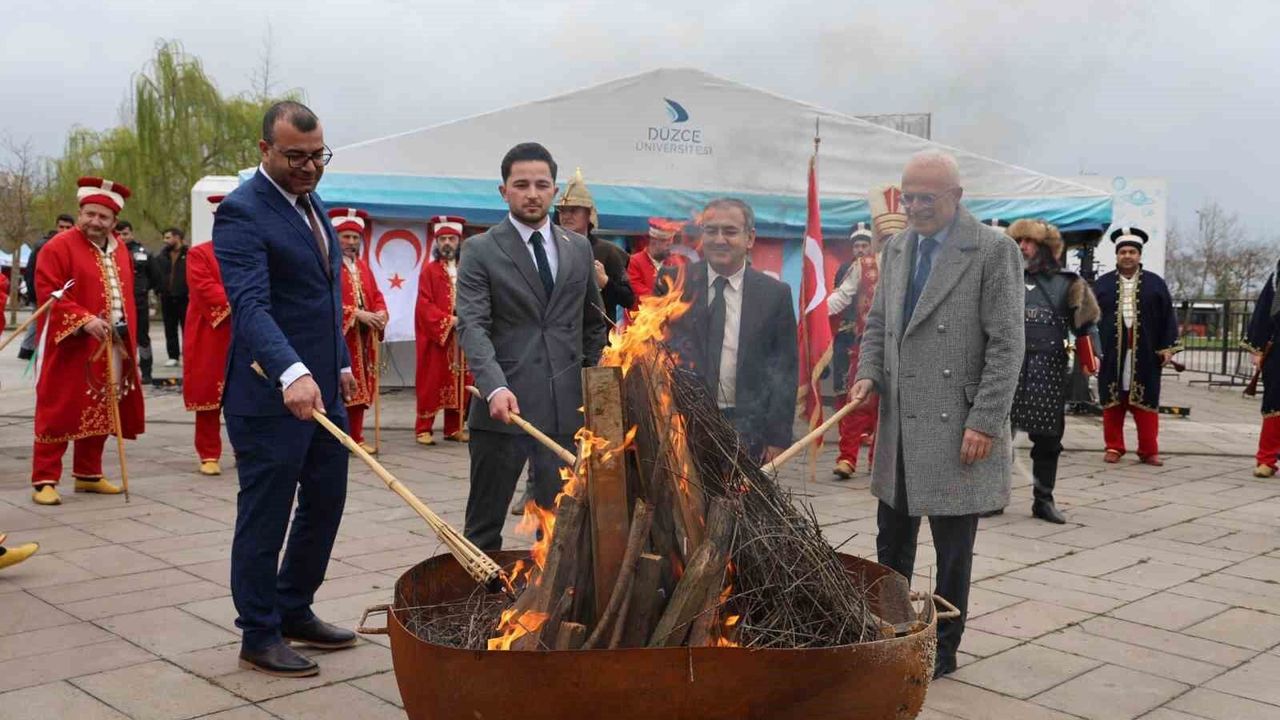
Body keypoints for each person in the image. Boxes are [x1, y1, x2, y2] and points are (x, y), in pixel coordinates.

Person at [848, 151, 1024, 679]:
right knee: (891, 543)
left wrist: (985, 420)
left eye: (928, 197)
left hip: (958, 428)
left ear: (957, 197)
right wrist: (868, 372)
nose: (916, 207)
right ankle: (894, 633)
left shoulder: (993, 249)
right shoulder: (897, 247)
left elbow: (1007, 344)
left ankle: (942, 648)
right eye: (909, 197)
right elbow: (879, 324)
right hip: (900, 428)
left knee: (953, 553)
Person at [214, 101, 359, 678]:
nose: (309, 168)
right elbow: (251, 306)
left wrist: (339, 362)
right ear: (264, 150)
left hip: (323, 392)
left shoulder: (311, 201)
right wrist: (291, 372)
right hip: (268, 395)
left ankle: (294, 606)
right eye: (295, 157)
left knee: (326, 501)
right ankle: (258, 632)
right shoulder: (242, 212)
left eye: (318, 156)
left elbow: (323, 296)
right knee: (266, 515)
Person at [457, 142, 607, 551]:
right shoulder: (480, 250)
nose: (532, 194)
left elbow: (593, 324)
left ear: (555, 190)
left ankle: (547, 595)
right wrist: (494, 386)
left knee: (558, 532)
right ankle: (480, 593)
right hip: (504, 410)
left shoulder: (578, 248)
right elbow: (472, 325)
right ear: (503, 191)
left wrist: (595, 388)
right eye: (521, 185)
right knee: (483, 529)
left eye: (542, 185)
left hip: (565, 411)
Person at [30, 177, 146, 506]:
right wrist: (83, 319)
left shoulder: (120, 249)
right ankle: (44, 479)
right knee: (58, 408)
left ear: (114, 221)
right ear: (80, 213)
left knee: (103, 405)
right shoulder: (58, 247)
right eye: (89, 214)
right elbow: (49, 293)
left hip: (112, 342)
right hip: (70, 343)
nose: (95, 221)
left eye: (103, 217)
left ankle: (88, 473)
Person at [662, 198, 798, 461]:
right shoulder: (674, 283)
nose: (719, 239)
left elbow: (785, 371)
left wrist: (777, 438)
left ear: (750, 238)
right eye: (711, 231)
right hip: (681, 426)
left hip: (747, 430)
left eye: (730, 231)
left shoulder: (775, 295)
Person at [1006, 219, 1101, 523]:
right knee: (997, 439)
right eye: (1018, 241)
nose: (1022, 247)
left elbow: (1086, 325)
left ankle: (1043, 500)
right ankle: (992, 496)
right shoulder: (1001, 277)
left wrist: (1092, 358)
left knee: (1048, 442)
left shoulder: (1068, 283)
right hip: (1005, 368)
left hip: (1048, 369)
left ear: (1046, 248)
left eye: (1029, 242)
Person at [1094, 227, 1180, 466]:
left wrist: (1168, 347)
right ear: (1117, 255)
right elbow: (1090, 319)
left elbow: (1168, 318)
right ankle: (1114, 446)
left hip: (1146, 352)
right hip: (1112, 353)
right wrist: (1092, 350)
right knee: (1112, 401)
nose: (1127, 256)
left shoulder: (1155, 284)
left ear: (1139, 255)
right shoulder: (1102, 284)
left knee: (1146, 403)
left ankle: (1148, 450)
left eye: (1132, 252)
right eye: (1123, 252)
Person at [183, 195, 233, 476]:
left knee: (245, 397)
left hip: (245, 332)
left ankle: (245, 449)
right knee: (209, 397)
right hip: (210, 334)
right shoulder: (199, 254)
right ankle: (209, 453)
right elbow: (204, 289)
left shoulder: (251, 253)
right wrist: (244, 301)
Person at [332, 207, 388, 454]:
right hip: (341, 338)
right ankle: (339, 437)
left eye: (355, 237)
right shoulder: (329, 265)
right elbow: (325, 300)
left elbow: (376, 295)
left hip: (363, 339)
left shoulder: (364, 267)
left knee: (361, 388)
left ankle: (356, 436)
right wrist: (354, 314)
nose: (351, 242)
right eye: (346, 236)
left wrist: (381, 312)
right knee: (341, 387)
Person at [830, 222, 880, 479]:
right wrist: (815, 312)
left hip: (904, 346)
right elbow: (841, 297)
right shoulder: (864, 265)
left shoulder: (917, 261)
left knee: (891, 407)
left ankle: (878, 461)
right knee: (857, 399)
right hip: (867, 343)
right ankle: (847, 457)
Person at [554, 168, 636, 326]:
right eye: (562, 210)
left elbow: (629, 299)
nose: (566, 216)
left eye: (573, 210)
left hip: (598, 335)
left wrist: (605, 282)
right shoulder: (550, 249)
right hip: (559, 334)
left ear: (588, 214)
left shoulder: (608, 252)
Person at [415, 215, 470, 446]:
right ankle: (423, 428)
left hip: (462, 336)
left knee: (461, 380)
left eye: (452, 239)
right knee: (432, 382)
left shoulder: (467, 269)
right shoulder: (429, 271)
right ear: (437, 243)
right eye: (443, 239)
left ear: (459, 242)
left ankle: (454, 428)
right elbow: (424, 305)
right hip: (438, 337)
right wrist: (448, 320)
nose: (447, 243)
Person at [18, 215, 74, 360]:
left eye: (68, 227)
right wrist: (34, 295)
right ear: (56, 226)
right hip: (43, 294)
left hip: (64, 296)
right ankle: (30, 351)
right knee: (40, 323)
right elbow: (31, 272)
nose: (64, 230)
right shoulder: (44, 245)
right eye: (61, 227)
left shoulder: (73, 246)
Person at [1246, 266, 1280, 477]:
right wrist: (1257, 349)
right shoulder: (1278, 275)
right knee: (1275, 404)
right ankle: (1267, 459)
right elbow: (1263, 313)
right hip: (1279, 349)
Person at [117, 220, 156, 383]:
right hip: (117, 302)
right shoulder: (109, 252)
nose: (122, 237)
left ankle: (146, 372)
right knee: (119, 336)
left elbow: (154, 276)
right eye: (118, 234)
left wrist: (144, 289)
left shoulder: (142, 253)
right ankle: (123, 371)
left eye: (125, 234)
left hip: (138, 301)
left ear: (131, 233)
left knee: (142, 337)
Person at [626, 218, 686, 316]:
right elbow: (637, 291)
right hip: (641, 319)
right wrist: (664, 299)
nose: (669, 246)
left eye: (670, 242)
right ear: (654, 241)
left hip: (667, 317)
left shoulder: (675, 262)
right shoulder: (635, 261)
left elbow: (682, 289)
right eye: (666, 242)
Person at [154, 227, 189, 367]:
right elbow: (156, 274)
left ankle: (188, 355)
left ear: (177, 237)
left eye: (168, 237)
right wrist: (158, 290)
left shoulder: (190, 254)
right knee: (170, 328)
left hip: (185, 297)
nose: (165, 241)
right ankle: (173, 356)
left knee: (187, 328)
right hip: (167, 297)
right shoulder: (161, 256)